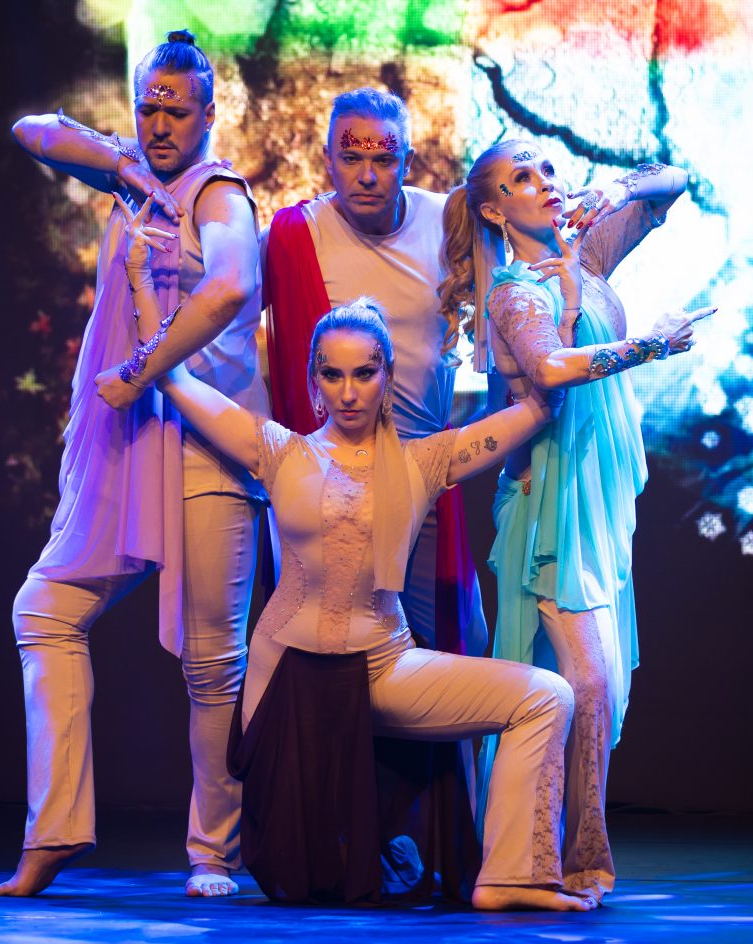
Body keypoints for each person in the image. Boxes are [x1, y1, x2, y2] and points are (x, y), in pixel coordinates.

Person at [151, 292, 594, 912]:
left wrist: (577, 318)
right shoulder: (278, 451)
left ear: (387, 376)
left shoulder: (425, 461)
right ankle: (224, 849)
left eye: (365, 372)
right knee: (308, 875)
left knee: (547, 695)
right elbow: (168, 375)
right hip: (290, 687)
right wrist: (143, 277)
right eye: (332, 374)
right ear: (313, 381)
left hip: (384, 670)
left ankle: (511, 876)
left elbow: (541, 404)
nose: (349, 391)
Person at [0, 30, 267, 899]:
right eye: (147, 105)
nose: (157, 122)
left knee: (210, 659)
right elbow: (32, 131)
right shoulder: (135, 176)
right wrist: (122, 159)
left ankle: (212, 850)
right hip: (133, 438)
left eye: (174, 110)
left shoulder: (222, 197)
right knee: (45, 608)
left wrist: (145, 369)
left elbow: (226, 289)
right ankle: (57, 830)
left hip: (205, 439)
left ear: (209, 115)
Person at [438, 140, 714, 902]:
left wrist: (611, 189)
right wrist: (648, 345)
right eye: (522, 179)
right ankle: (574, 853)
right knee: (586, 681)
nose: (544, 185)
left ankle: (541, 852)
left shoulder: (585, 255)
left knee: (596, 684)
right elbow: (552, 366)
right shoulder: (516, 291)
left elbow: (675, 179)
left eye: (547, 171)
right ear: (495, 209)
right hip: (549, 500)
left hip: (592, 490)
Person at [263, 88, 485, 658]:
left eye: (384, 159)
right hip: (337, 487)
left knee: (444, 650)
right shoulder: (296, 235)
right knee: (340, 659)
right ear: (328, 160)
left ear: (406, 162)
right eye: (352, 158)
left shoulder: (447, 222)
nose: (367, 175)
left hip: (424, 473)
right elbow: (225, 308)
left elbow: (511, 306)